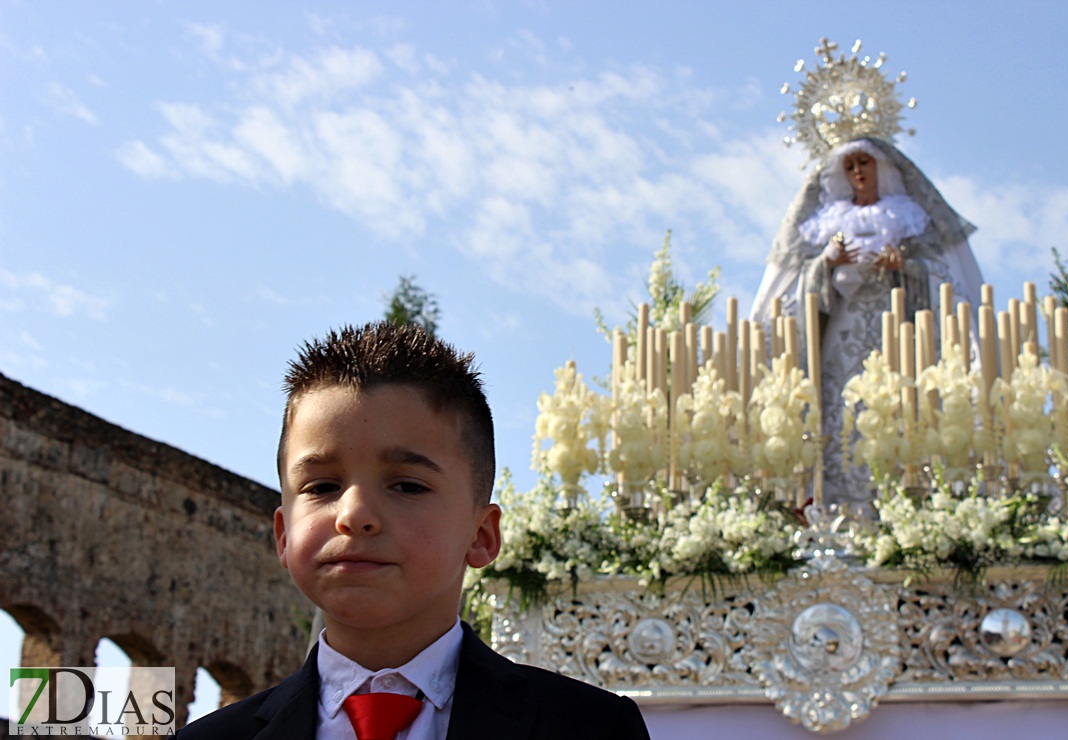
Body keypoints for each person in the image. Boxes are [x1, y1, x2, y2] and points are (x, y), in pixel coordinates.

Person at [178, 321, 651, 739]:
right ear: (283, 535)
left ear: (481, 535)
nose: (354, 514)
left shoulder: (590, 727)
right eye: (322, 485)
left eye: (407, 485)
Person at [750, 137, 984, 505]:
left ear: (882, 167)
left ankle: (896, 505)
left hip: (894, 335)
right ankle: (831, 507)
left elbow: (943, 279)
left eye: (864, 162)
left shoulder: (907, 217)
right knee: (839, 412)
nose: (858, 172)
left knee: (894, 411)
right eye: (850, 166)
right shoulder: (827, 222)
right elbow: (797, 294)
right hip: (840, 340)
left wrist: (904, 267)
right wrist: (827, 265)